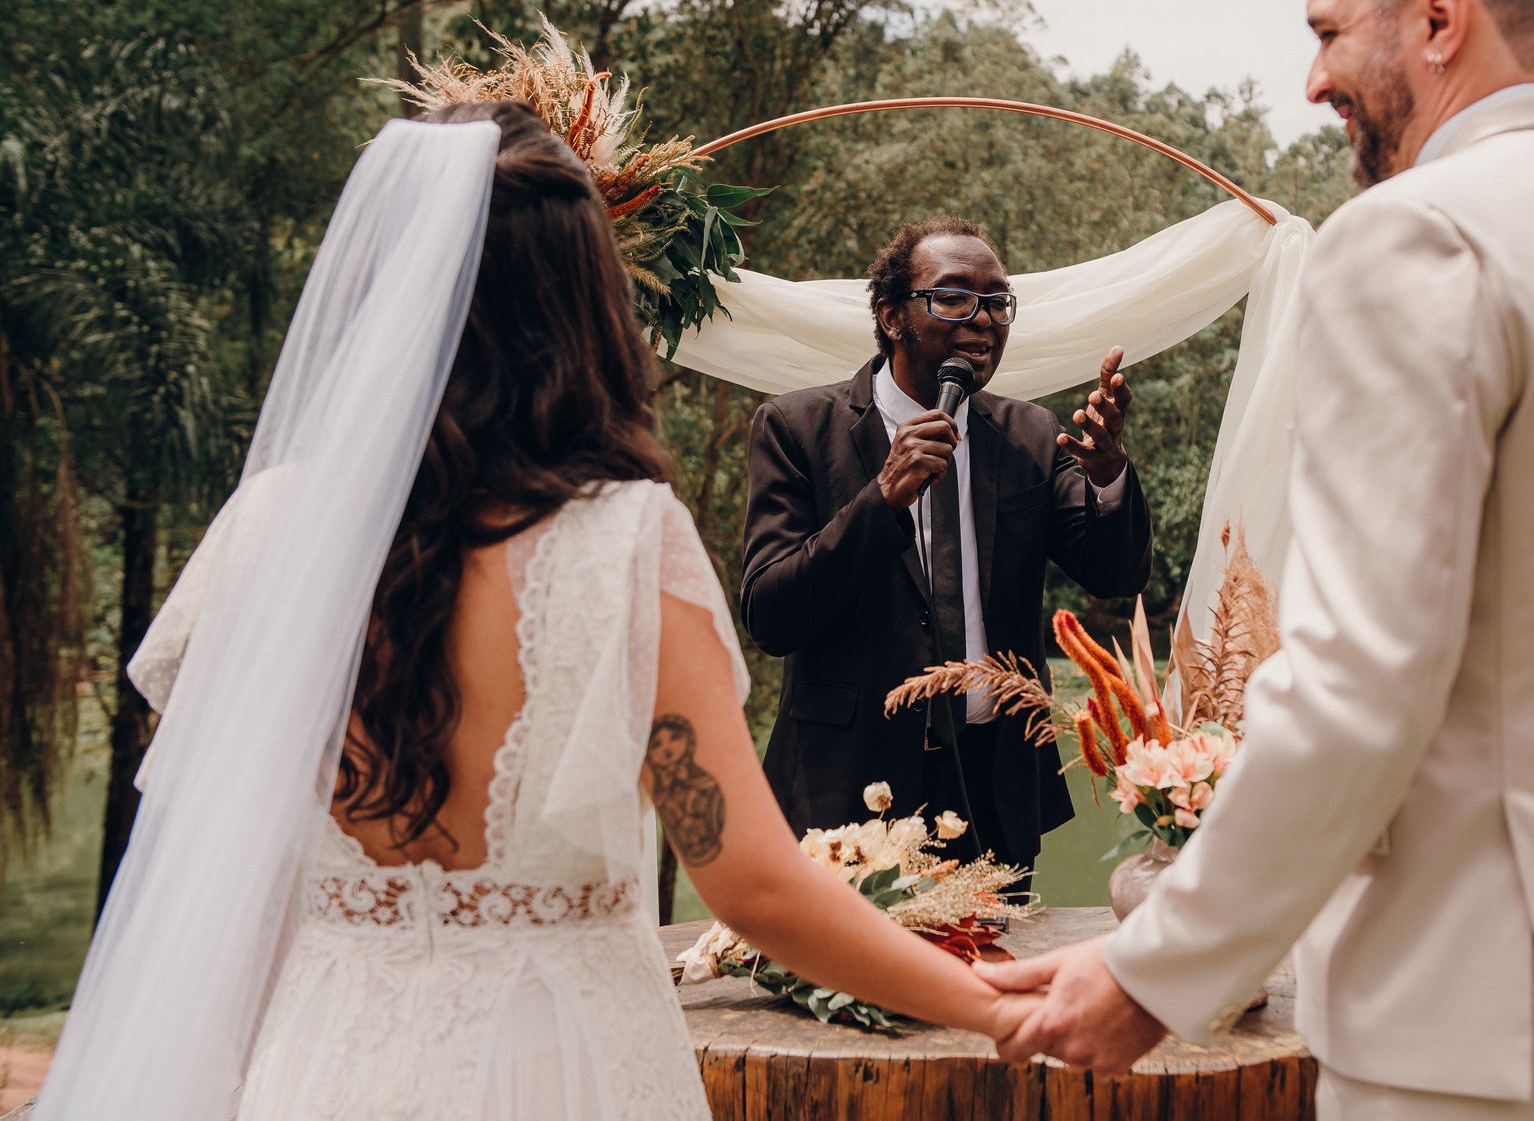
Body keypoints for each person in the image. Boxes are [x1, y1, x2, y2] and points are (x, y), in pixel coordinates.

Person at [980, 0, 1534, 1121]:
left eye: (1326, 31)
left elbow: (1365, 671)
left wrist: (1158, 971)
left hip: (1474, 1033)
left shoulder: (1415, 238)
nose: (1311, 79)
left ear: (1439, 17)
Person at [37, 101, 1034, 1121]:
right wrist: (993, 1003)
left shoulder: (268, 534)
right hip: (564, 1063)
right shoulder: (623, 543)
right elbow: (755, 889)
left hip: (325, 1057)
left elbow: (208, 880)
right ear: (578, 303)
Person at [742, 217, 1153, 888]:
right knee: (852, 990)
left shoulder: (1029, 433)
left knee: (992, 983)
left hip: (995, 783)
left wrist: (1107, 472)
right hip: (849, 789)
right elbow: (770, 614)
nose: (982, 319)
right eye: (954, 297)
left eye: (997, 302)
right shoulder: (796, 429)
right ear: (893, 317)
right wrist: (881, 499)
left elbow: (1116, 573)